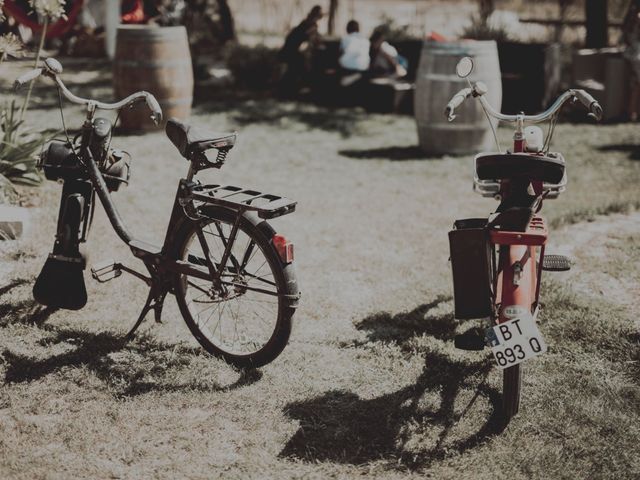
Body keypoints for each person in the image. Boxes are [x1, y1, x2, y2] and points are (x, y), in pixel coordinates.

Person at [278, 5, 324, 95]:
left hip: (291, 50)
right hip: (292, 51)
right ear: (317, 15)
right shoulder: (310, 25)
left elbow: (314, 38)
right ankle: (297, 89)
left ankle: (288, 89)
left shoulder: (307, 23)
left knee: (295, 69)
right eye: (320, 14)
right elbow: (310, 39)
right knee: (300, 66)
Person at [623, 0, 640, 121]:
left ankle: (632, 112)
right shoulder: (637, 17)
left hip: (632, 53)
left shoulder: (630, 16)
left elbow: (626, 38)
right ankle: (632, 112)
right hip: (637, 54)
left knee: (635, 83)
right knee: (637, 83)